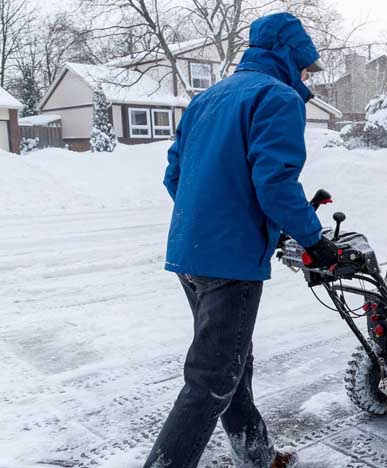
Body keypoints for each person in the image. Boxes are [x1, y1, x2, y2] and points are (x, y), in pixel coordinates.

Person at [144, 12, 338, 468]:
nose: (307, 76)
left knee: (232, 362)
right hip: (229, 265)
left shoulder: (207, 99)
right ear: (289, 56)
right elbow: (274, 184)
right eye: (306, 66)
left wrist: (216, 217)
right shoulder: (278, 97)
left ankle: (259, 455)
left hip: (190, 256)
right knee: (211, 380)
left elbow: (176, 175)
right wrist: (314, 238)